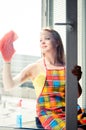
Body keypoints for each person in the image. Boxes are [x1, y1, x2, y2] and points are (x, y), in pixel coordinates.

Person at [0, 28, 86, 130]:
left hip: (71, 111)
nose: (43, 42)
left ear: (57, 42)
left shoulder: (68, 66)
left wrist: (75, 80)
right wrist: (7, 60)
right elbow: (9, 85)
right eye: (40, 40)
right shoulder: (35, 67)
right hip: (49, 114)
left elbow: (76, 95)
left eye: (47, 38)